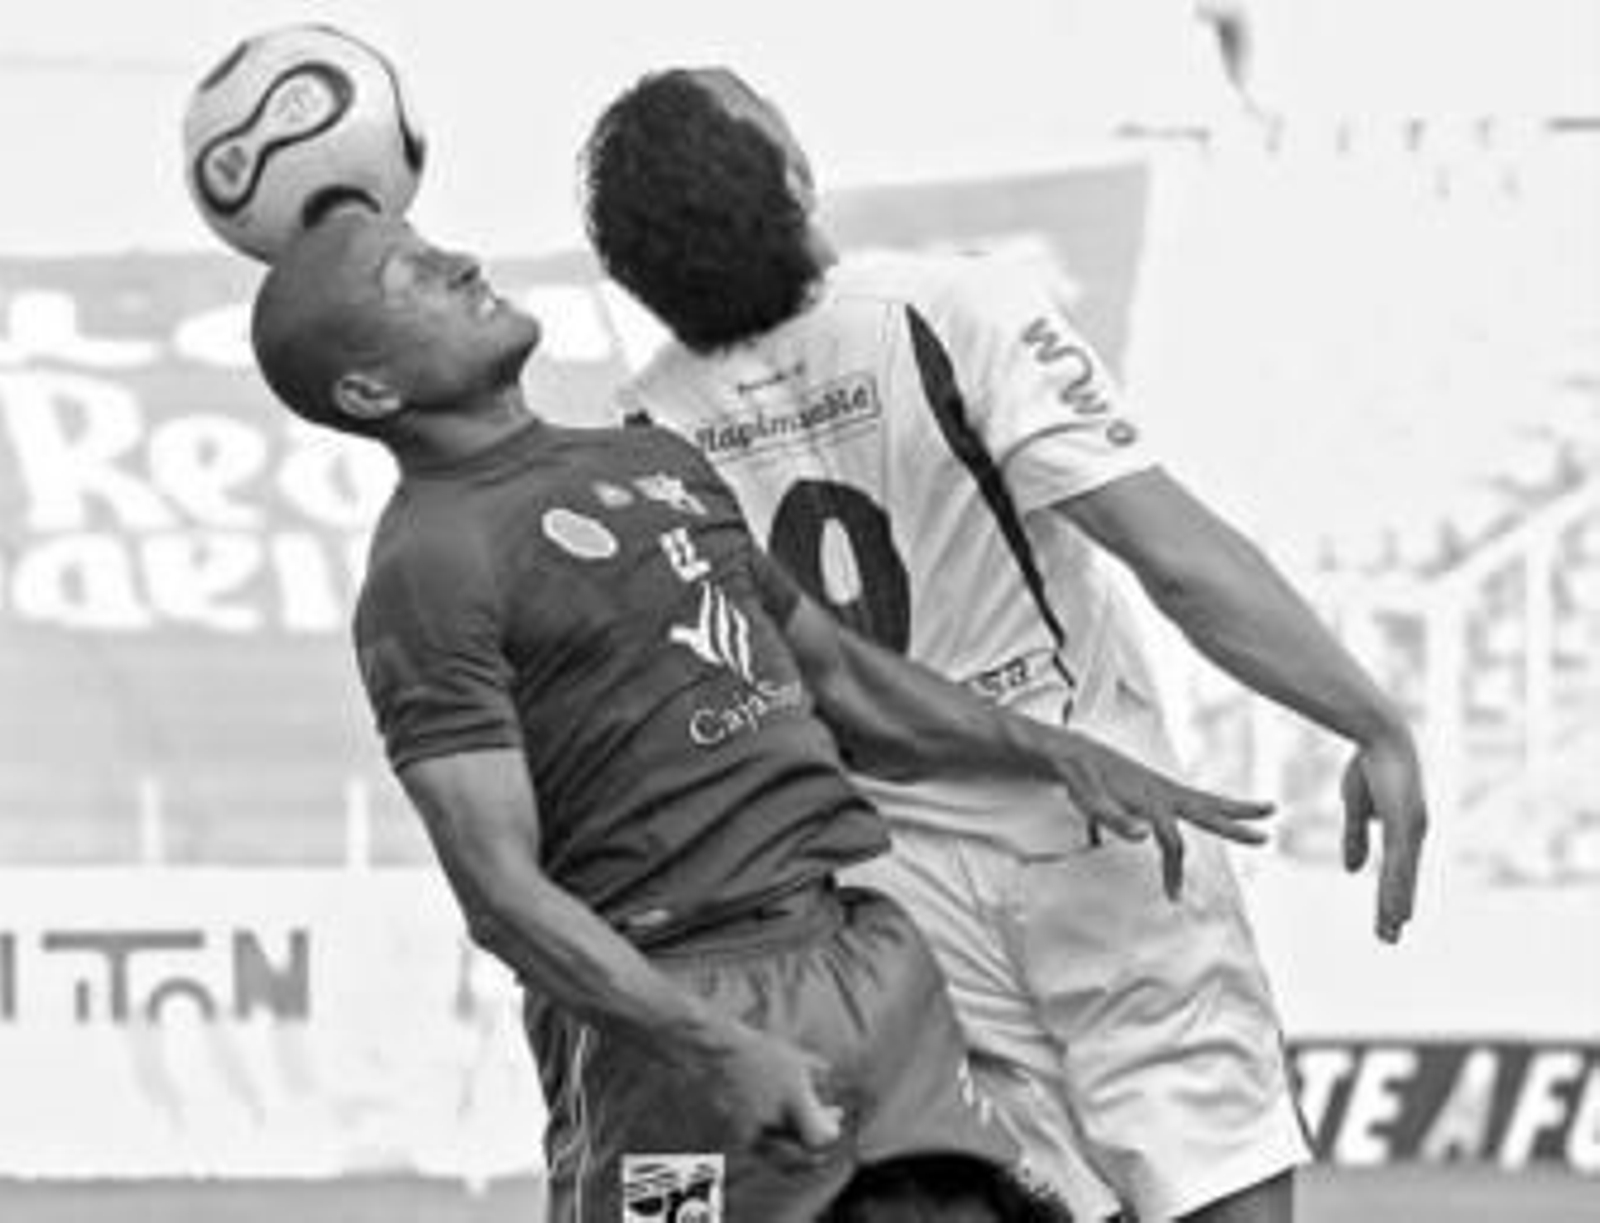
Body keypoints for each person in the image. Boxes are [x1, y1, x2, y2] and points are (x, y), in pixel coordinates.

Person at [248, 210, 1275, 1221]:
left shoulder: (650, 465)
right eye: (409, 275)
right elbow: (501, 893)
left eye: (435, 246)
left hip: (864, 964)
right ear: (368, 388)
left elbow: (844, 679)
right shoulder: (429, 569)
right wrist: (710, 1044)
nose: (459, 260)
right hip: (676, 1023)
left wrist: (1058, 750)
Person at [581, 67, 1431, 1222]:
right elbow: (1172, 558)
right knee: (1213, 1175)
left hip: (891, 878)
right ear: (787, 172)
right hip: (1097, 824)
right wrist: (1368, 719)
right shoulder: (950, 307)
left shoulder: (648, 422)